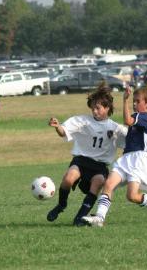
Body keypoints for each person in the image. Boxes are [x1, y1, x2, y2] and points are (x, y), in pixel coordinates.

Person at [47, 83, 127, 226]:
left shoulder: (115, 128)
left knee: (98, 182)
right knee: (68, 179)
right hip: (81, 161)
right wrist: (57, 126)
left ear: (107, 108)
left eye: (98, 108)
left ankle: (80, 218)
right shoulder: (82, 121)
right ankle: (61, 205)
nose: (94, 111)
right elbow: (63, 132)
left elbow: (131, 141)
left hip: (99, 166)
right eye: (93, 108)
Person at [81, 87, 147, 227]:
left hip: (138, 160)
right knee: (108, 184)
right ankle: (99, 218)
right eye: (133, 101)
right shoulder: (140, 118)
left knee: (131, 196)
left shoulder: (143, 117)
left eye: (137, 101)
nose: (134, 104)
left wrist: (124, 100)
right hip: (126, 158)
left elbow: (127, 121)